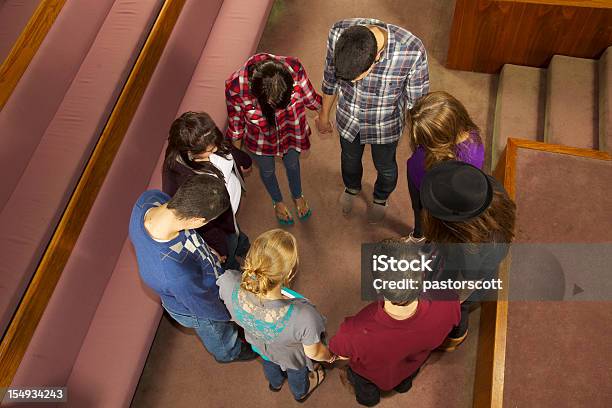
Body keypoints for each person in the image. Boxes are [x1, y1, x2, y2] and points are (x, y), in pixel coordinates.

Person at [129, 174, 257, 362]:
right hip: (197, 308)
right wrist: (230, 314)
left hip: (197, 284)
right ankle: (230, 352)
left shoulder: (150, 201)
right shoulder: (175, 274)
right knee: (218, 332)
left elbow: (186, 232)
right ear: (198, 219)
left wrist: (205, 249)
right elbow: (205, 306)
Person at [317, 19, 429, 223]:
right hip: (349, 118)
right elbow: (330, 79)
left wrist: (420, 143)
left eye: (356, 78)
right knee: (349, 160)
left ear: (377, 57)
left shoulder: (412, 51)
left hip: (385, 125)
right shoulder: (338, 32)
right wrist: (324, 115)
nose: (350, 83)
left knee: (385, 167)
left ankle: (380, 198)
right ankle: (352, 187)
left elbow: (417, 104)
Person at [329, 239, 460, 407]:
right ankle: (403, 386)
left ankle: (369, 401)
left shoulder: (353, 331)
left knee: (364, 389)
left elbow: (337, 351)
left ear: (377, 288)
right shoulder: (448, 301)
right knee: (406, 377)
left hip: (371, 376)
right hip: (412, 365)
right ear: (422, 274)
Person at [217, 229, 334, 402]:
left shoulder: (227, 281)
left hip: (258, 344)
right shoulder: (304, 317)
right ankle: (300, 393)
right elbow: (315, 353)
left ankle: (275, 382)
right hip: (291, 358)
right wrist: (330, 356)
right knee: (297, 373)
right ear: (288, 273)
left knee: (268, 361)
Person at [420, 161, 516, 350]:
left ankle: (456, 335)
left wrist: (445, 302)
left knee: (458, 309)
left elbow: (466, 284)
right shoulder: (491, 189)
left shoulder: (465, 250)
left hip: (470, 280)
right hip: (485, 262)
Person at [225, 53, 322, 225]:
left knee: (293, 164)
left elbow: (311, 98)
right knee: (267, 171)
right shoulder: (235, 86)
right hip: (261, 142)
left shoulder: (295, 67)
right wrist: (238, 157)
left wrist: (324, 116)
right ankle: (277, 201)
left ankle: (298, 196)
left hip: (291, 132)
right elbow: (236, 125)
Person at [162, 111, 252, 270]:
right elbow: (202, 223)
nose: (216, 149)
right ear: (191, 154)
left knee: (237, 233)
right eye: (210, 151)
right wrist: (218, 248)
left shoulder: (206, 138)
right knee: (230, 248)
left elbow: (227, 148)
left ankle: (243, 246)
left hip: (229, 214)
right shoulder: (182, 179)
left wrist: (244, 159)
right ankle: (235, 266)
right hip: (219, 225)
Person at [405, 91, 485, 243]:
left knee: (426, 216)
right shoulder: (472, 137)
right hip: (419, 181)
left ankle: (426, 238)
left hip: (431, 194)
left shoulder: (470, 156)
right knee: (418, 210)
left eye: (425, 139)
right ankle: (418, 234)